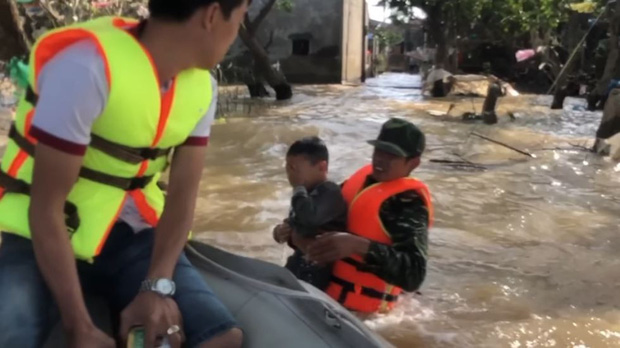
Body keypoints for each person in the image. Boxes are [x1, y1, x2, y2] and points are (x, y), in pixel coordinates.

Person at [0, 1, 248, 347]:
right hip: (39, 236)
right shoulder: (85, 68)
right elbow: (45, 208)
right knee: (11, 332)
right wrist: (79, 326)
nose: (237, 33)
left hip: (132, 236)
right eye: (239, 18)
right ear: (211, 15)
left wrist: (157, 286)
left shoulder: (202, 89)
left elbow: (182, 196)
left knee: (222, 338)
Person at [304, 118, 434, 314]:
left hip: (370, 316)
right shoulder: (358, 181)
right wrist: (291, 227)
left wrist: (358, 246)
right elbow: (320, 214)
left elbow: (414, 274)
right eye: (379, 150)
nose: (380, 159)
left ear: (413, 163)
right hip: (327, 296)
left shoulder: (408, 204)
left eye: (392, 155)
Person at [273, 136, 347, 291]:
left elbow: (309, 219)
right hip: (300, 264)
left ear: (321, 167)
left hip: (317, 275)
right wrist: (280, 232)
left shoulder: (330, 192)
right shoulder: (305, 196)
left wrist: (298, 187)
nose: (290, 174)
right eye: (288, 168)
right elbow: (294, 222)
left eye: (295, 169)